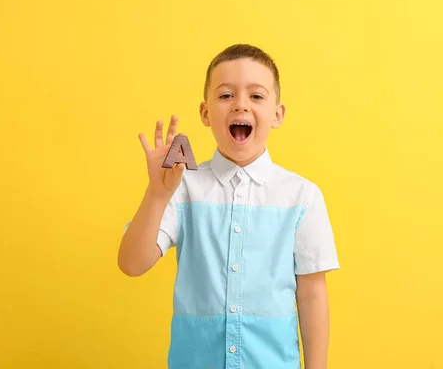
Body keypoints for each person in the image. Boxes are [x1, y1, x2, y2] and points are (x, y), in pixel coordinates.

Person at [118, 44, 340, 369]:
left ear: (277, 114)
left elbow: (312, 295)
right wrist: (155, 193)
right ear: (205, 113)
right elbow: (131, 264)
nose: (240, 105)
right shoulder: (181, 187)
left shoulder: (301, 197)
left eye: (256, 96)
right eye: (225, 96)